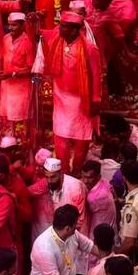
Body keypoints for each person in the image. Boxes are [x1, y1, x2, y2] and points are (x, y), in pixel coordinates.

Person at [41, 12, 102, 173]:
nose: (59, 28)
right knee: (60, 136)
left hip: (81, 100)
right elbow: (39, 34)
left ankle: (76, 170)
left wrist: (96, 99)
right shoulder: (57, 40)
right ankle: (63, 171)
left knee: (81, 137)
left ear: (74, 30)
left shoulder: (90, 49)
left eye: (63, 26)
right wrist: (32, 22)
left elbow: (97, 75)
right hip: (60, 98)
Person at [0, 12, 34, 129]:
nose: (10, 28)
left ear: (22, 25)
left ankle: (23, 142)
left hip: (21, 89)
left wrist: (13, 74)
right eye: (9, 25)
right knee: (8, 119)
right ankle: (9, 141)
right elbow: (2, 58)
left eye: (14, 25)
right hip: (7, 86)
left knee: (22, 119)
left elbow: (32, 69)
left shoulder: (28, 42)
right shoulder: (5, 39)